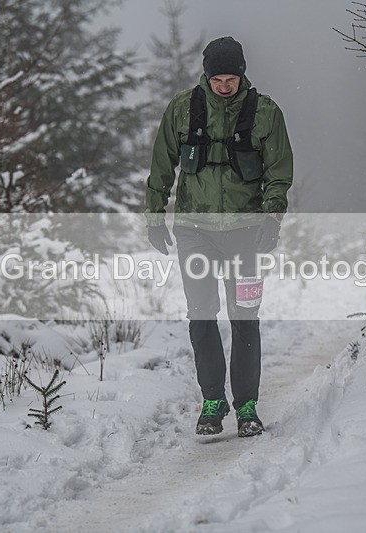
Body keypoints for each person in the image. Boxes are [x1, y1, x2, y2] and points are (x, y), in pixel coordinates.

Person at [144, 36, 293, 437]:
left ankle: (247, 406)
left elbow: (278, 174)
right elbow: (162, 165)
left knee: (245, 317)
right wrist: (154, 216)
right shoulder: (182, 108)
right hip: (195, 231)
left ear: (241, 74)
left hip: (246, 232)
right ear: (206, 76)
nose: (223, 86)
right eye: (217, 79)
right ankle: (212, 401)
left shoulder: (265, 112)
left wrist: (271, 219)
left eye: (230, 78)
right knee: (201, 314)